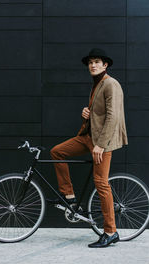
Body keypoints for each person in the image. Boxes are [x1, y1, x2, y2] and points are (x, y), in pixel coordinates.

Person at [49, 48, 128, 248]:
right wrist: (88, 113)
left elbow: (113, 116)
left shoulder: (111, 84)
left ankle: (111, 232)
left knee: (101, 183)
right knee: (57, 152)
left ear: (105, 65)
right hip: (88, 137)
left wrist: (101, 145)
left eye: (97, 62)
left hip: (103, 142)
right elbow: (100, 114)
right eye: (90, 62)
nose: (92, 65)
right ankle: (69, 195)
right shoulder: (97, 84)